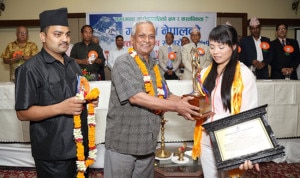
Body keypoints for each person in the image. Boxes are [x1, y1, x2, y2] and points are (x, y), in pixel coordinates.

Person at [104, 20, 201, 178]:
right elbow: (136, 97)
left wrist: (190, 101)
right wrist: (177, 107)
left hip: (147, 144)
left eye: (151, 36)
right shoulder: (123, 63)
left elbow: (167, 94)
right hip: (123, 144)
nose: (147, 40)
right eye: (142, 36)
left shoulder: (154, 65)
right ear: (133, 38)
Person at [14, 8, 98, 177]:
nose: (65, 39)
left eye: (67, 34)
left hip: (80, 148)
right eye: (58, 34)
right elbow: (23, 113)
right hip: (52, 153)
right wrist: (60, 108)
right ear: (43, 37)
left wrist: (88, 101)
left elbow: (77, 95)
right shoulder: (29, 69)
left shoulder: (73, 64)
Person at [198, 24, 259, 177]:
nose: (215, 52)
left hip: (231, 141)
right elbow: (202, 105)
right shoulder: (205, 73)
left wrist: (248, 149)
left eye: (221, 47)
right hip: (206, 140)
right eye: (212, 47)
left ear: (233, 46)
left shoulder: (244, 75)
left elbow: (249, 114)